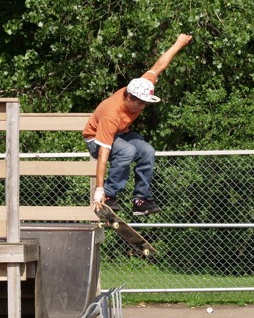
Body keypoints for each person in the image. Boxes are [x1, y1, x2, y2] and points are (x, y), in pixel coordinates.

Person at [83, 33, 193, 216]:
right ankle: (109, 195)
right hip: (95, 140)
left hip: (120, 134)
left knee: (147, 151)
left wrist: (178, 43)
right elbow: (102, 155)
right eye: (139, 103)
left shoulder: (142, 85)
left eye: (145, 104)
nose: (141, 107)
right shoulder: (111, 114)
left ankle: (141, 200)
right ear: (128, 96)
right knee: (127, 151)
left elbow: (159, 66)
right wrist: (99, 190)